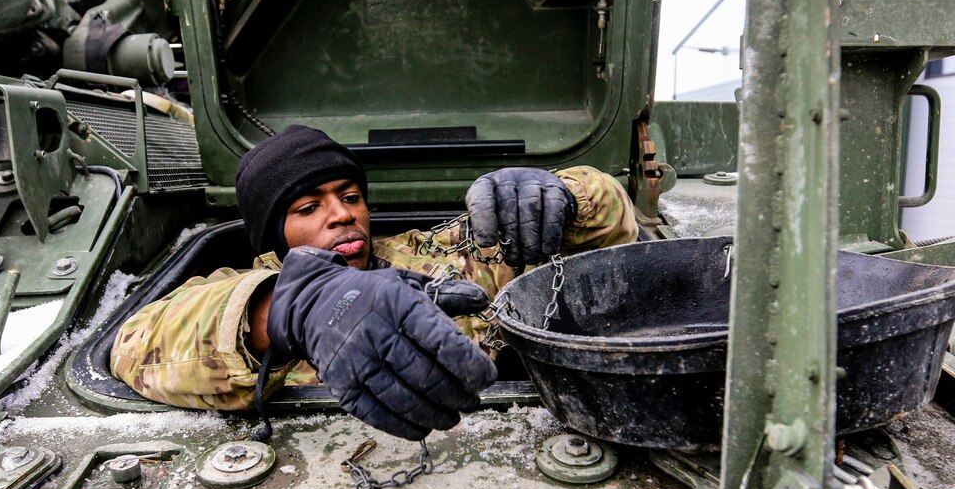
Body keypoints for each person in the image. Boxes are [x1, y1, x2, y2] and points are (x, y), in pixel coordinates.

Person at [110, 125, 637, 439]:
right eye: (309, 207)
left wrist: (563, 198)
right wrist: (295, 310)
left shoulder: (431, 255)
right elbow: (135, 344)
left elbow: (613, 232)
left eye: (350, 196)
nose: (341, 215)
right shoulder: (243, 288)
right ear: (273, 233)